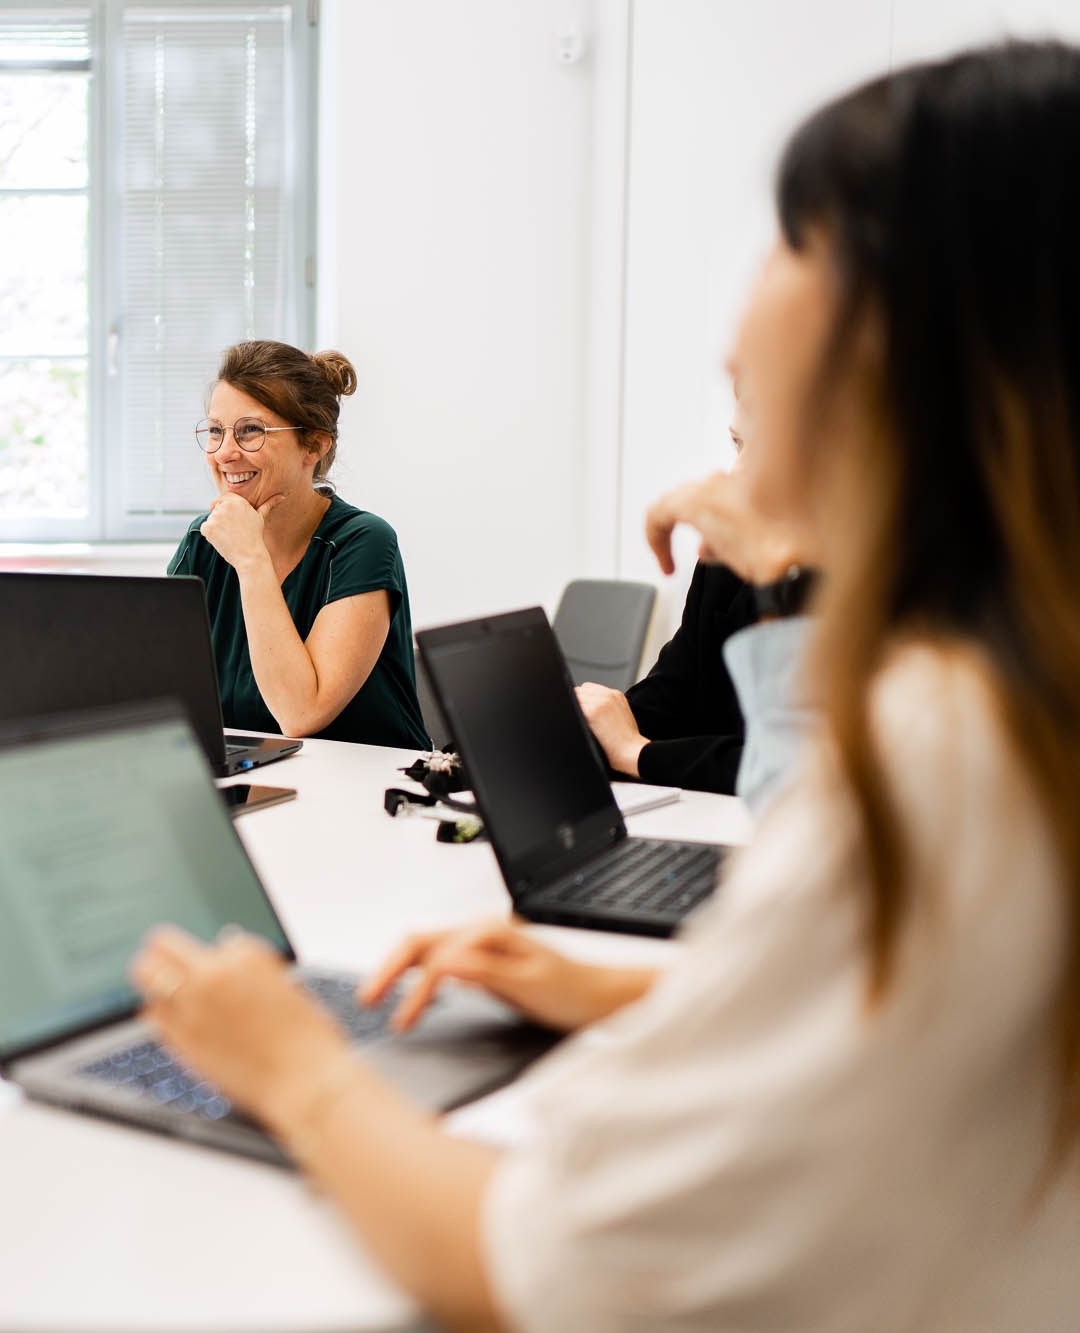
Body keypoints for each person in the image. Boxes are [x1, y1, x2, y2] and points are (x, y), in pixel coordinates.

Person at [128, 42, 1080, 1331]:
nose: (740, 321)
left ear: (908, 334)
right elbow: (904, 1006)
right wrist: (639, 987)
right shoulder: (1006, 705)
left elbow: (536, 1267)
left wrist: (291, 1066)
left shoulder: (944, 756)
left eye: (792, 240)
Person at [167, 341, 429, 750]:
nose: (225, 453)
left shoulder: (363, 542)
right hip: (251, 778)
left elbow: (299, 714)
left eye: (250, 430)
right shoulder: (205, 538)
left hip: (365, 791)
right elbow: (166, 693)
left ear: (315, 445)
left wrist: (252, 560)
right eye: (216, 431)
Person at [575, 388, 761, 794]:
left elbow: (792, 768)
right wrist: (565, 743)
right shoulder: (726, 565)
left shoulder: (887, 587)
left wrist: (636, 752)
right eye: (738, 443)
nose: (738, 472)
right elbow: (671, 695)